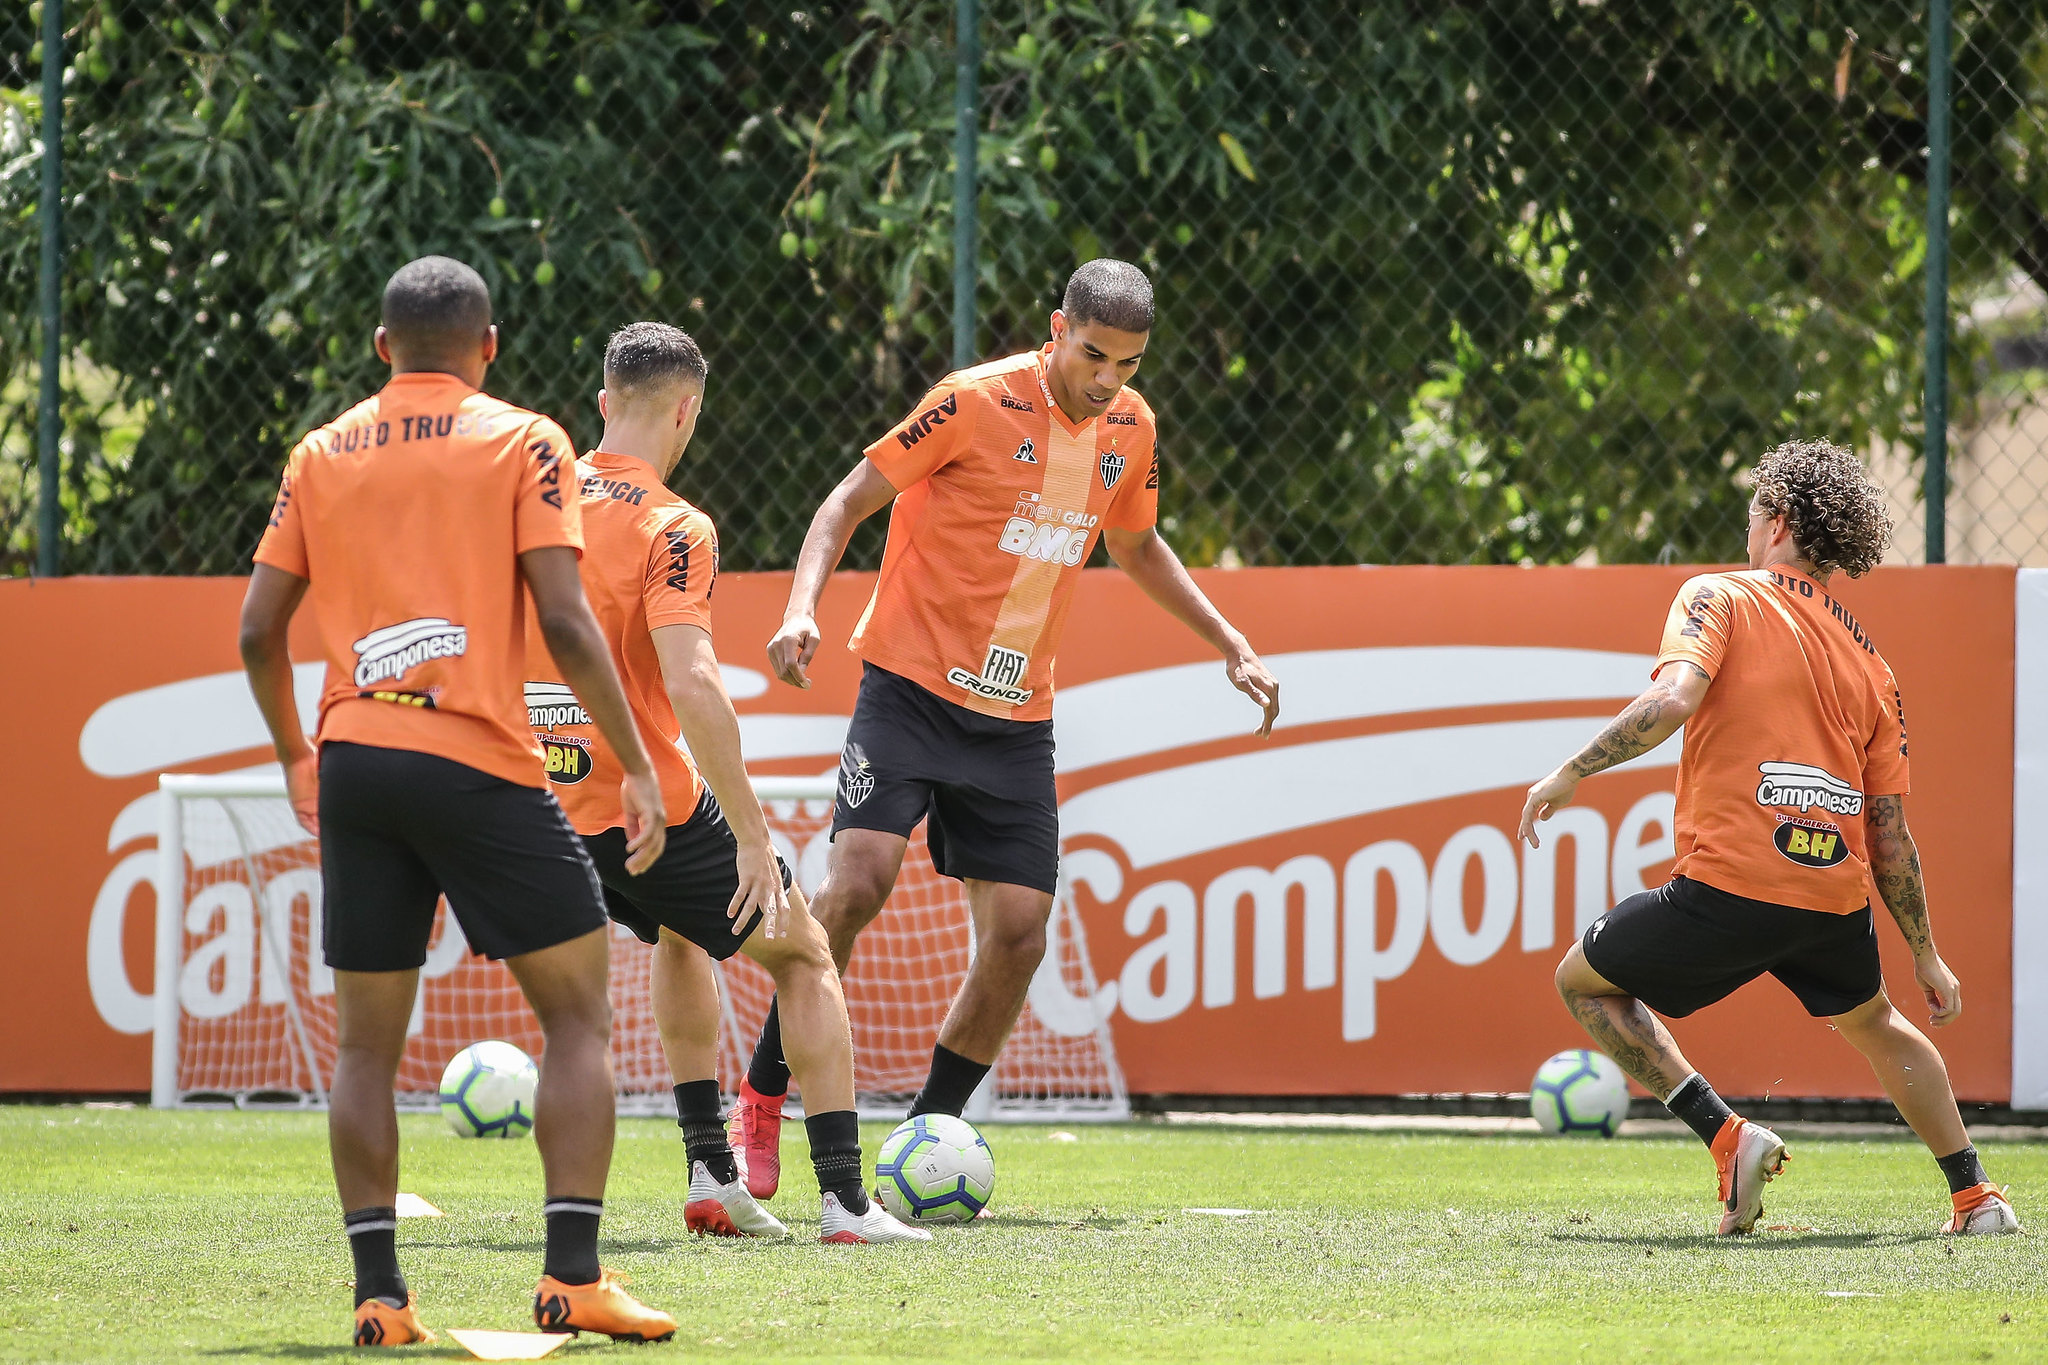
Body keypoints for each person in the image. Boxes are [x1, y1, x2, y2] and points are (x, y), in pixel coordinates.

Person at [730, 258, 1282, 1197]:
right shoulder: (973, 401)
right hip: (907, 690)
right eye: (1095, 353)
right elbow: (848, 499)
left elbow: (1137, 543)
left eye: (1131, 363)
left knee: (1022, 933)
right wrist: (800, 608)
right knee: (858, 882)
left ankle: (924, 1139)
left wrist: (1228, 639)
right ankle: (764, 1099)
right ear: (1057, 326)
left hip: (1016, 719)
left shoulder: (1130, 429)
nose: (1109, 378)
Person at [238, 257, 679, 1347]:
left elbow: (257, 630)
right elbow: (569, 625)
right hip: (478, 759)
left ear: (382, 349)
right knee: (578, 1014)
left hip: (354, 763)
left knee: (364, 1053)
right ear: (488, 346)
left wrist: (298, 751)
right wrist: (636, 765)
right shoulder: (526, 437)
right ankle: (570, 1277)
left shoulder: (321, 450)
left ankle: (380, 1301)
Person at [1517, 438, 2021, 1238]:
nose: (1747, 524)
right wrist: (1926, 951)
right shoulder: (1872, 662)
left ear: (1777, 520)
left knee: (1583, 982)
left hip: (1730, 883)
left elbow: (1677, 697)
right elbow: (1888, 834)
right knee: (1880, 1022)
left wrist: (1574, 768)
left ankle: (1727, 1135)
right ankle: (1976, 1196)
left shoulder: (1719, 593)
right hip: (1831, 892)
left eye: (1754, 509)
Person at [522, 321, 927, 1244]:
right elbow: (695, 682)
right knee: (805, 954)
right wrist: (748, 830)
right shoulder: (675, 524)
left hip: (543, 799)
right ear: (688, 411)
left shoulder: (532, 497)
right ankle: (845, 1203)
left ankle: (711, 1172)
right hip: (645, 800)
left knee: (677, 930)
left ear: (601, 405)